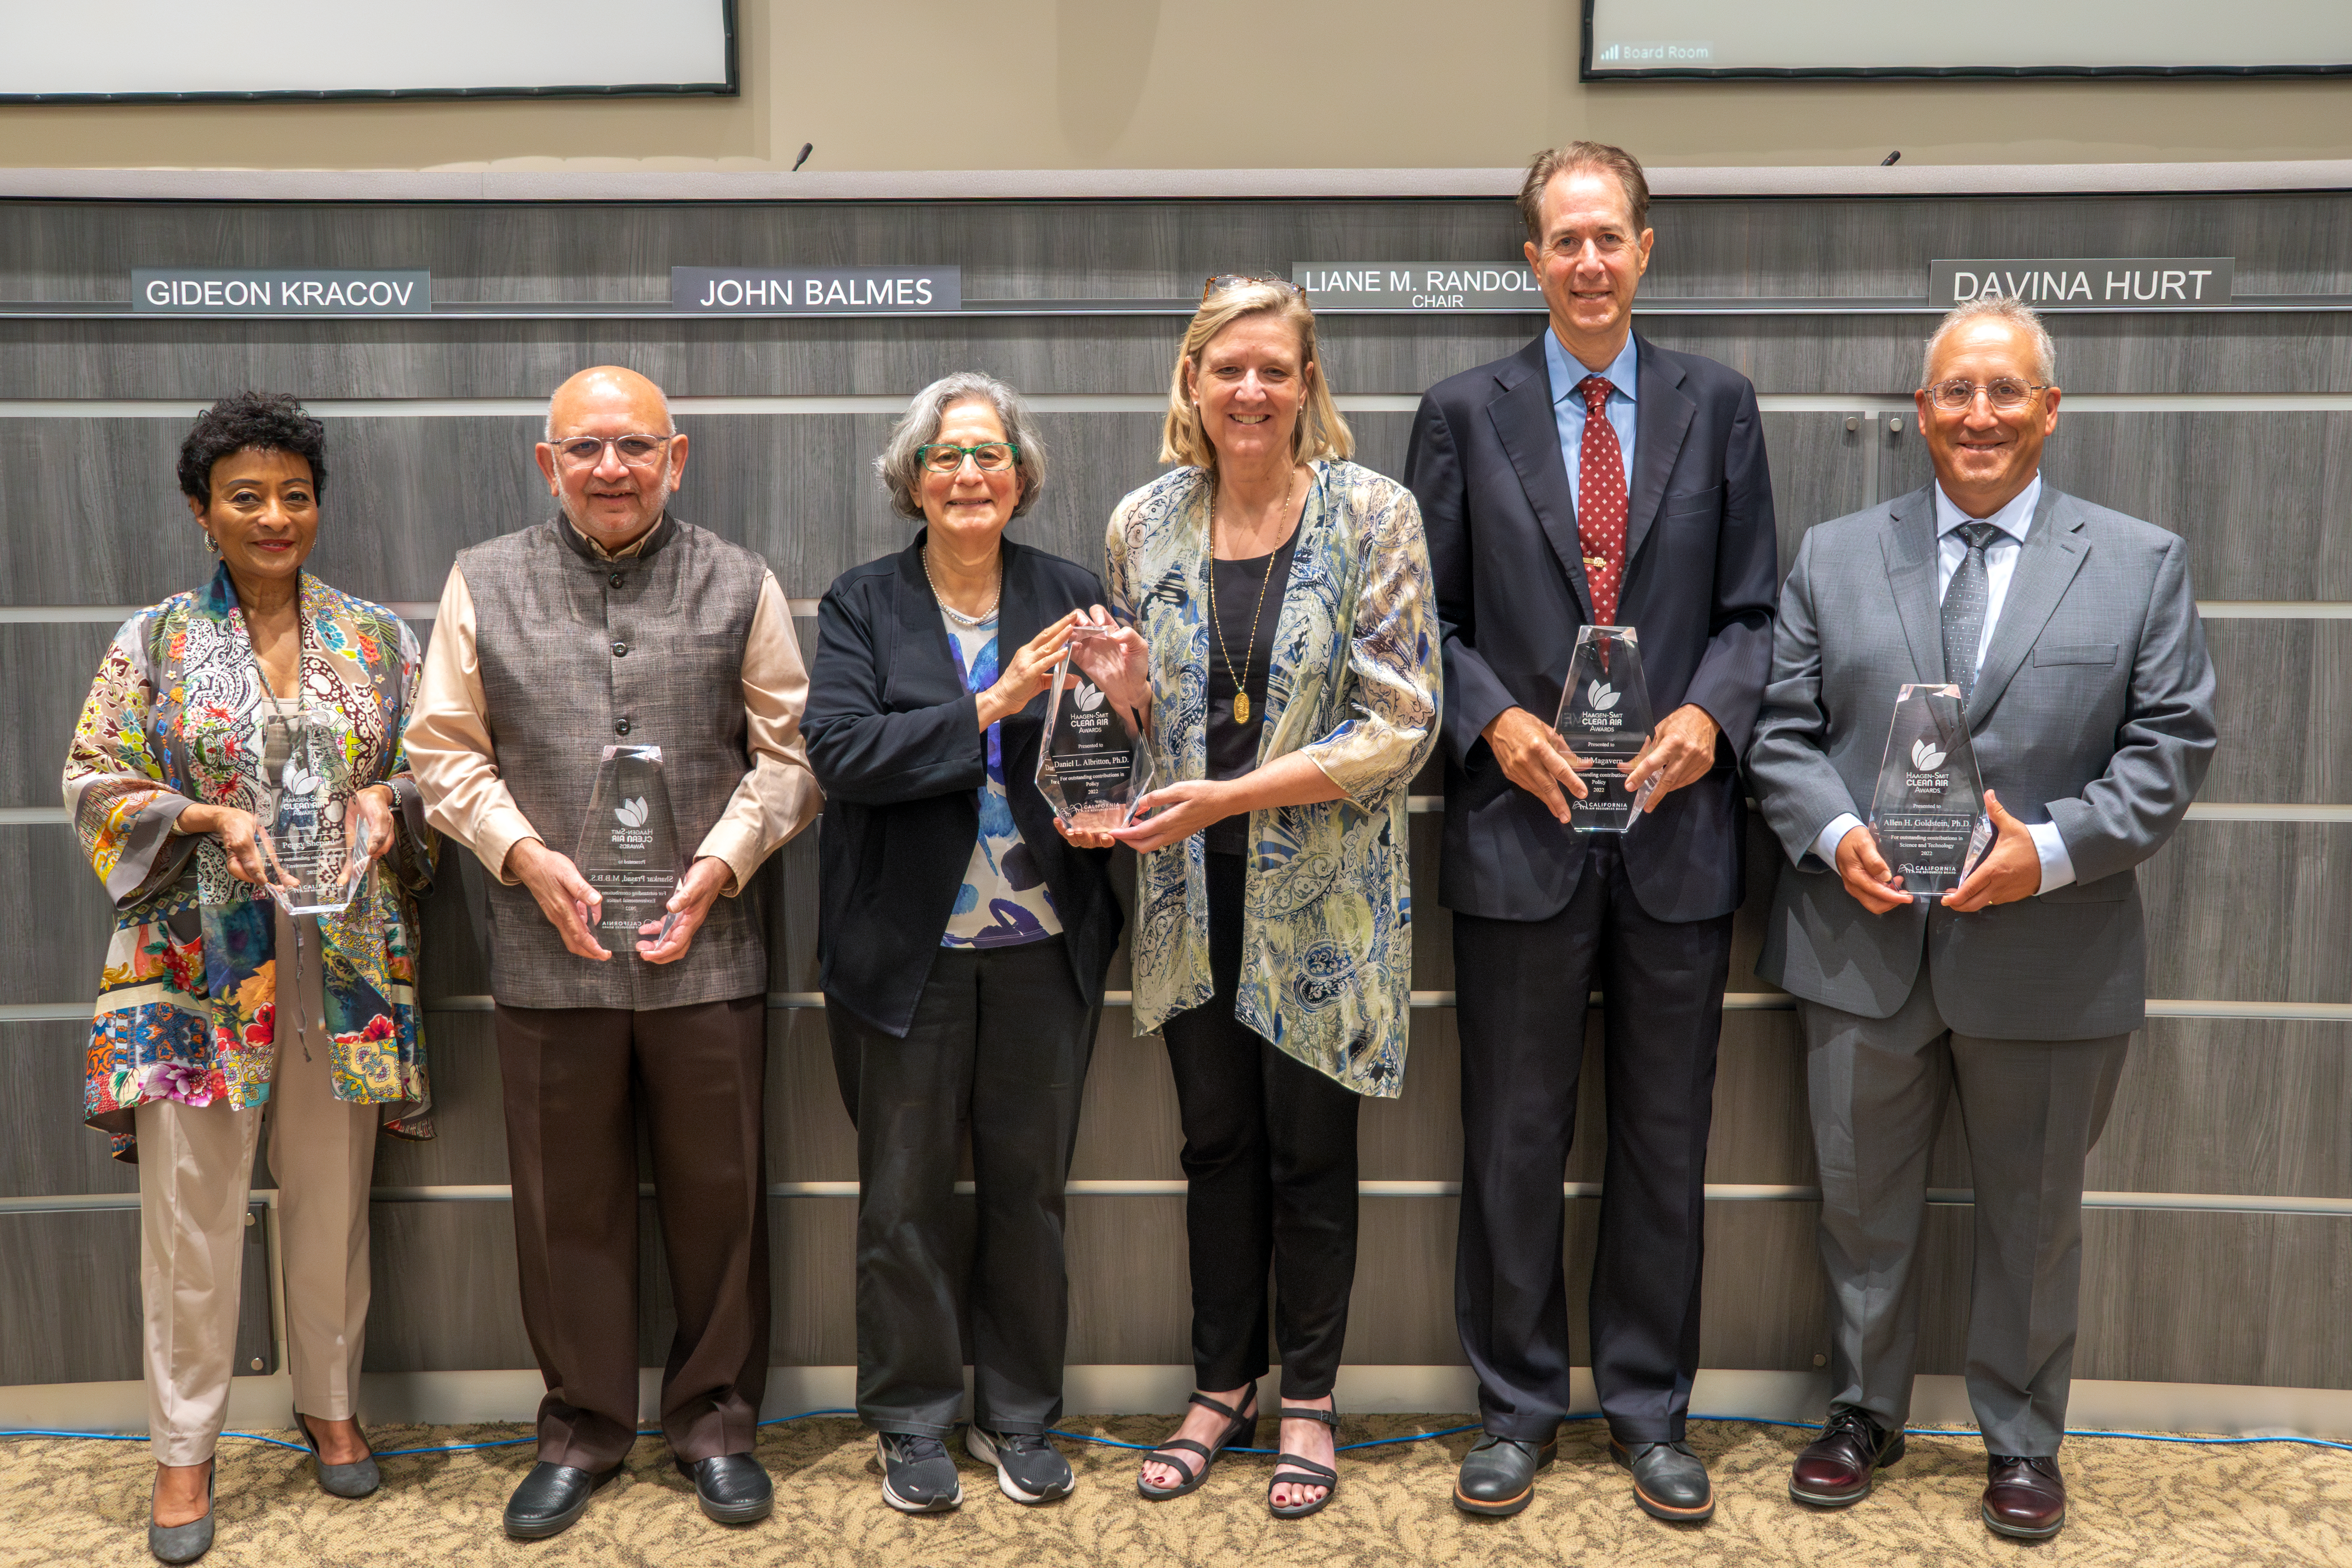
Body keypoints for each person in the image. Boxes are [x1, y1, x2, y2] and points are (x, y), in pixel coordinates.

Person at [1746, 296, 2215, 1541]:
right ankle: (1860, 1410)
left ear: (2048, 410)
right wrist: (1838, 836)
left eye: (2005, 391)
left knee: (2031, 1214)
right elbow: (1780, 734)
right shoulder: (1833, 554)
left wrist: (2048, 854)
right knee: (1858, 1207)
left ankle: (2019, 1438)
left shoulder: (2136, 559)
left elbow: (2170, 749)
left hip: (2048, 955)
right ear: (1919, 412)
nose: (1978, 415)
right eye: (1954, 391)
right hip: (1862, 947)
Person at [1404, 141, 1778, 1525]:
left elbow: (1753, 611)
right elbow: (1422, 624)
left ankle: (1645, 1408)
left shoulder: (1717, 406)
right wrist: (1495, 724)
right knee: (1511, 1135)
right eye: (1562, 239)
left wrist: (1708, 720)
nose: (1587, 260)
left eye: (1608, 236)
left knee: (1663, 1137)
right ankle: (1512, 1409)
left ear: (1645, 247)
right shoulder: (1460, 412)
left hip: (1677, 836)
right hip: (1518, 825)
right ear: (1530, 259)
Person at [404, 366, 821, 1538]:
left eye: (634, 445)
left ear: (676, 456)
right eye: (583, 448)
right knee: (564, 1207)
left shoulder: (741, 580)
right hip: (549, 955)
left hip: (710, 948)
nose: (610, 468)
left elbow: (787, 756)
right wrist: (524, 854)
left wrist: (717, 866)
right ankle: (582, 1428)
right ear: (548, 464)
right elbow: (442, 751)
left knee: (720, 1199)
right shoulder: (482, 579)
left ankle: (717, 1423)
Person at [65, 393, 435, 1564]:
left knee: (331, 1203)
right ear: (201, 510)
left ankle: (329, 1403)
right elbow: (93, 782)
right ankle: (185, 1449)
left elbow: (439, 769)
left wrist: (391, 799)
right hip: (195, 967)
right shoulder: (153, 642)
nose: (275, 516)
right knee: (190, 1220)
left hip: (342, 956)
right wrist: (205, 811)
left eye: (295, 493)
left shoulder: (377, 637)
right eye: (246, 496)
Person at [1093, 277, 1439, 1520]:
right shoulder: (1145, 522)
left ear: (1307, 385)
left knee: (1310, 1154)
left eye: (1273, 370)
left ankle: (1309, 1397)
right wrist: (1123, 693)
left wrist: (1225, 797)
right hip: (1188, 892)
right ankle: (1217, 1384)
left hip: (1325, 900)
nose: (1250, 390)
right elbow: (1135, 736)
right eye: (1226, 367)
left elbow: (1401, 720)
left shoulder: (1371, 513)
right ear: (1190, 381)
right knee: (1214, 1146)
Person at [804, 372, 1123, 1514]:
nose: (969, 474)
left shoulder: (1072, 592)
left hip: (1046, 939)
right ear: (912, 479)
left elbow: (1117, 758)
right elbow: (842, 755)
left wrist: (1131, 711)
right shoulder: (860, 604)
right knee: (902, 1192)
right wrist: (993, 702)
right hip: (905, 949)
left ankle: (1022, 1411)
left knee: (1029, 1188)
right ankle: (911, 1417)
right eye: (945, 457)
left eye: (989, 455)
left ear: (1021, 477)